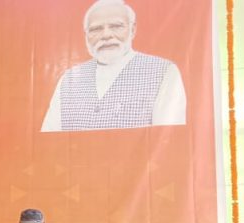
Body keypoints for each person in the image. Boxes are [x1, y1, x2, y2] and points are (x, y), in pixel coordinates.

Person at [41, 0, 186, 132]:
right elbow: (50, 137)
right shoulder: (69, 79)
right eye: (96, 29)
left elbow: (167, 141)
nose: (106, 35)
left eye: (116, 26)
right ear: (86, 35)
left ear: (133, 29)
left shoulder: (163, 72)